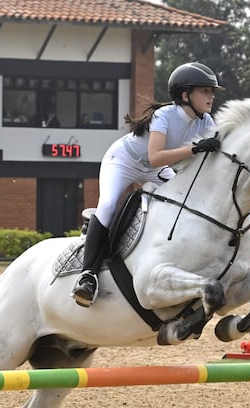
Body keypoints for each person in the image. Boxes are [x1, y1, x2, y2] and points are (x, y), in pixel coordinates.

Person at [71, 61, 224, 307]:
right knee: (109, 205)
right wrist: (194, 148)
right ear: (185, 95)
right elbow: (155, 156)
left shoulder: (205, 122)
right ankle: (87, 275)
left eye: (212, 92)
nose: (211, 97)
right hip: (123, 160)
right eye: (205, 91)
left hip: (155, 170)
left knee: (184, 203)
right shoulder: (165, 115)